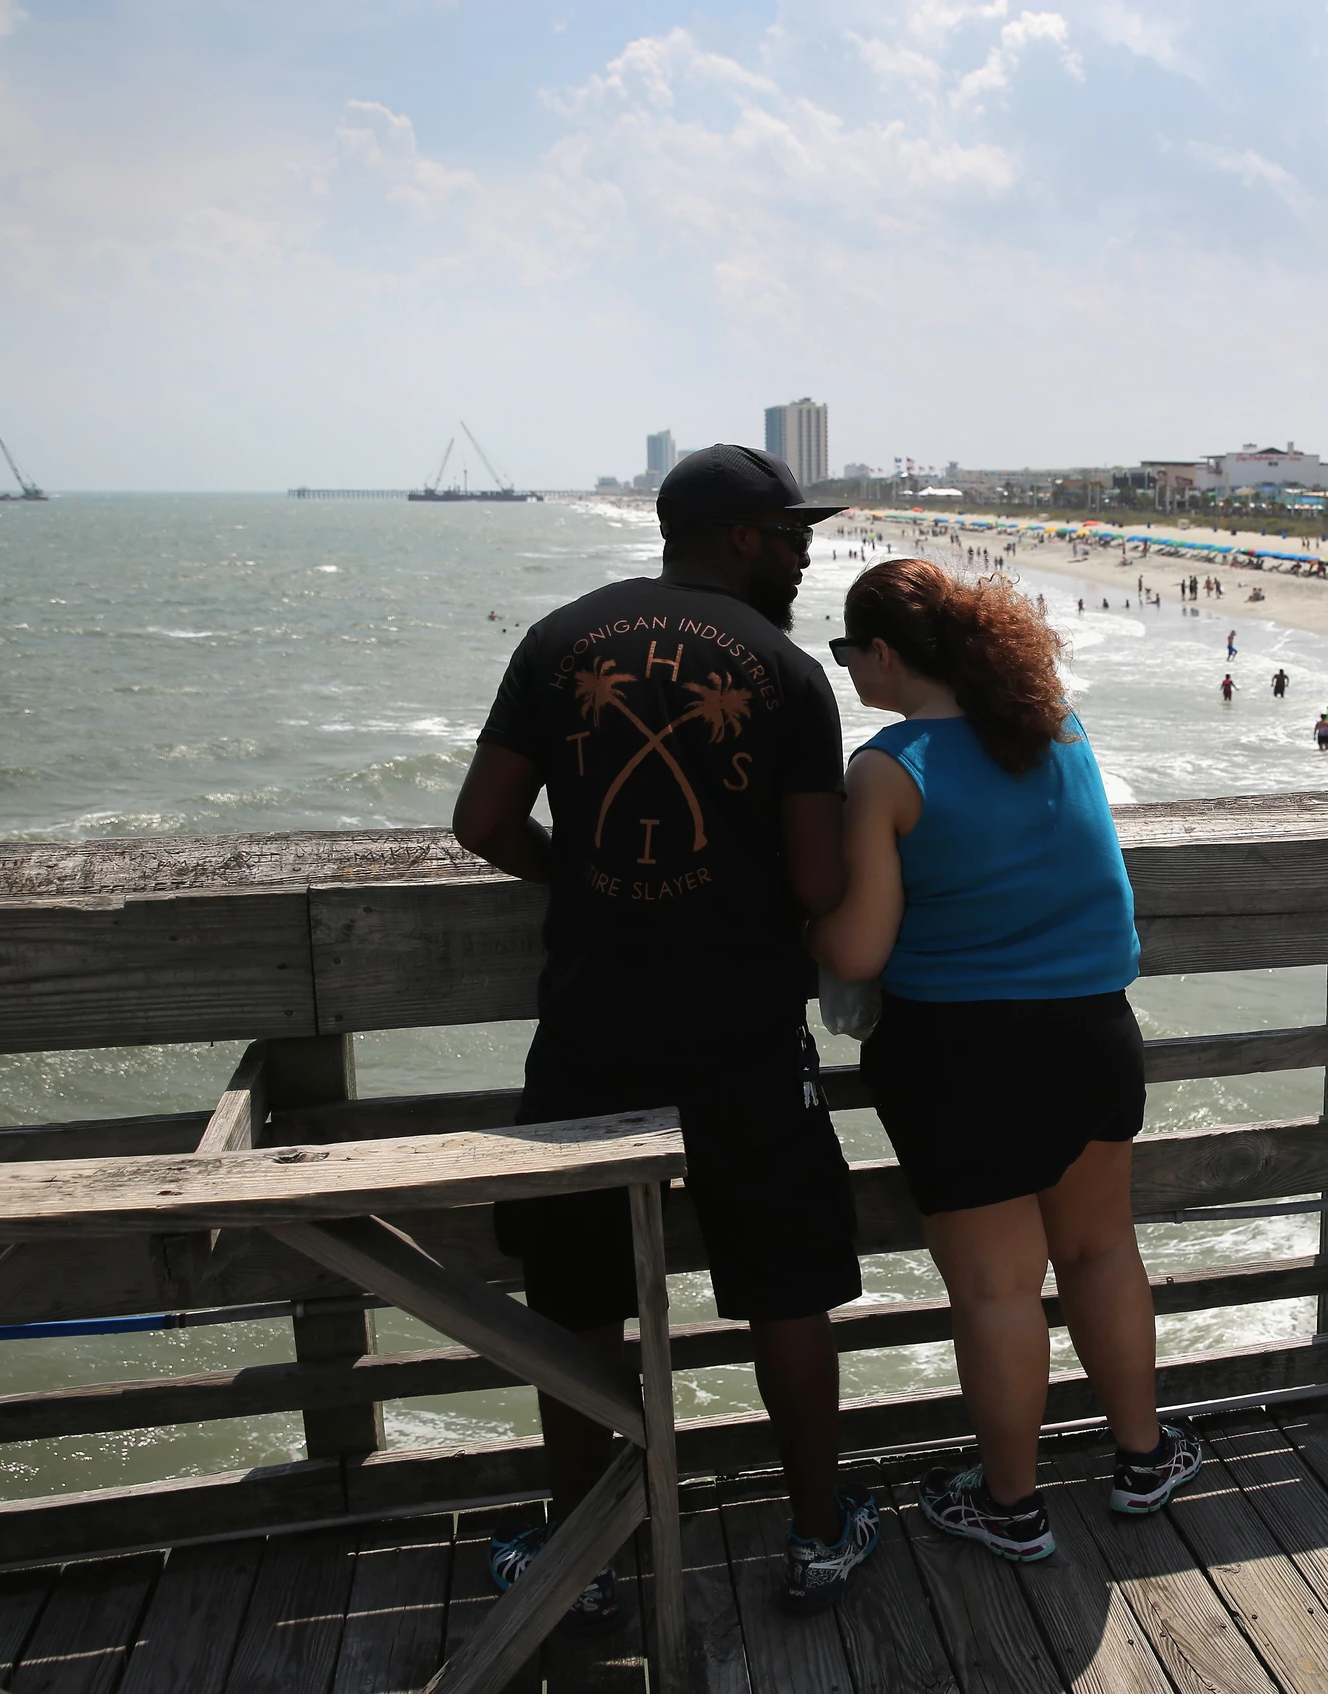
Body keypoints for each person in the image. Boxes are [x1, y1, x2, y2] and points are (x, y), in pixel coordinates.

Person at [452, 444, 878, 1622]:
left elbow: (481, 819)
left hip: (593, 1020)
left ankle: (581, 1554)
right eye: (790, 533)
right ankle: (816, 1529)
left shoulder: (558, 640)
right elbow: (815, 871)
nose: (802, 551)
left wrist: (581, 881)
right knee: (786, 1288)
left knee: (579, 1287)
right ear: (740, 537)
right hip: (743, 1026)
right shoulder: (788, 672)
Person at [812, 559, 1200, 1564]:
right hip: (1092, 1030)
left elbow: (855, 952)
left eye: (847, 650)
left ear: (885, 655)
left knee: (994, 1287)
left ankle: (1011, 1504)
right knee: (1101, 1249)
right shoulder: (1056, 728)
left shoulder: (889, 768)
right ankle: (1145, 1456)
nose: (848, 667)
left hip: (961, 1051)